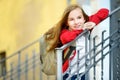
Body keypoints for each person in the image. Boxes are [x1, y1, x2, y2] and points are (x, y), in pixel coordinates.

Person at [44, 4, 109, 80]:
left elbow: (105, 11)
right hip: (69, 74)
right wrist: (82, 29)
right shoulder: (65, 32)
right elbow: (67, 38)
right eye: (71, 19)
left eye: (79, 18)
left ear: (84, 19)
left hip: (83, 71)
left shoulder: (86, 25)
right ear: (66, 23)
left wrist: (94, 22)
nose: (76, 22)